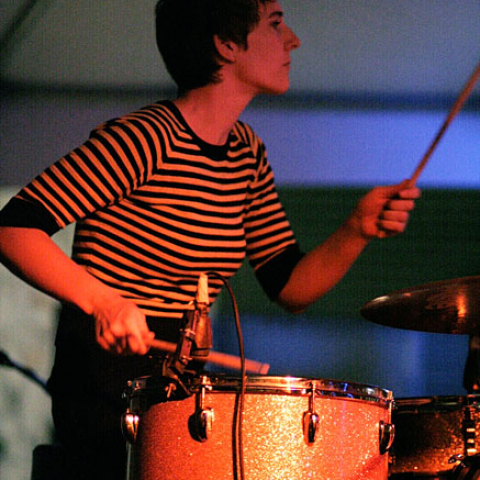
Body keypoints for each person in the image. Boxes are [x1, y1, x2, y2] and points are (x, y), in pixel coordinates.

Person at [0, 0, 421, 479]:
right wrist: (104, 302)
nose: (293, 40)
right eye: (275, 24)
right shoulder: (144, 139)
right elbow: (14, 228)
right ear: (226, 45)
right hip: (107, 386)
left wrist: (355, 230)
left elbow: (290, 286)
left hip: (180, 379)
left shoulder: (246, 153)